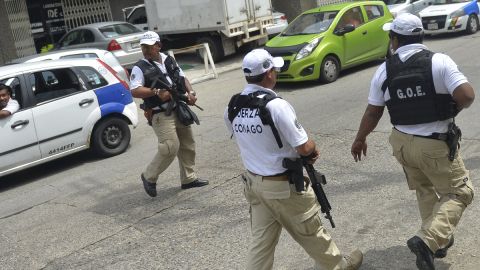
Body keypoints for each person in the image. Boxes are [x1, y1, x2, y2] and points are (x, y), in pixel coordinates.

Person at [350, 13, 475, 270]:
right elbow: (467, 95)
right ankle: (427, 240)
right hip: (434, 144)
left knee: (425, 189)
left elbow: (373, 111)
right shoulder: (438, 61)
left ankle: (437, 243)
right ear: (420, 35)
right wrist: (449, 112)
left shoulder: (384, 69)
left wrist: (360, 139)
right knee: (460, 192)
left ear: (394, 39)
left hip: (402, 145)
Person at [225, 49, 363, 270]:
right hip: (282, 187)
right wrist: (313, 148)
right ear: (268, 73)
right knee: (312, 233)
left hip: (254, 184)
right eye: (274, 69)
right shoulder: (276, 105)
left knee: (261, 245)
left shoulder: (232, 106)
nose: (276, 73)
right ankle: (338, 265)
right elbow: (304, 146)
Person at [130, 31, 208, 197]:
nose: (145, 50)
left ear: (158, 46)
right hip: (160, 113)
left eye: (148, 47)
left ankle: (189, 179)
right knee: (169, 147)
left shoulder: (168, 59)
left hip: (178, 107)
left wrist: (191, 93)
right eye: (143, 46)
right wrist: (156, 92)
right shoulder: (140, 67)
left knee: (188, 144)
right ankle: (149, 176)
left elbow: (182, 77)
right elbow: (134, 90)